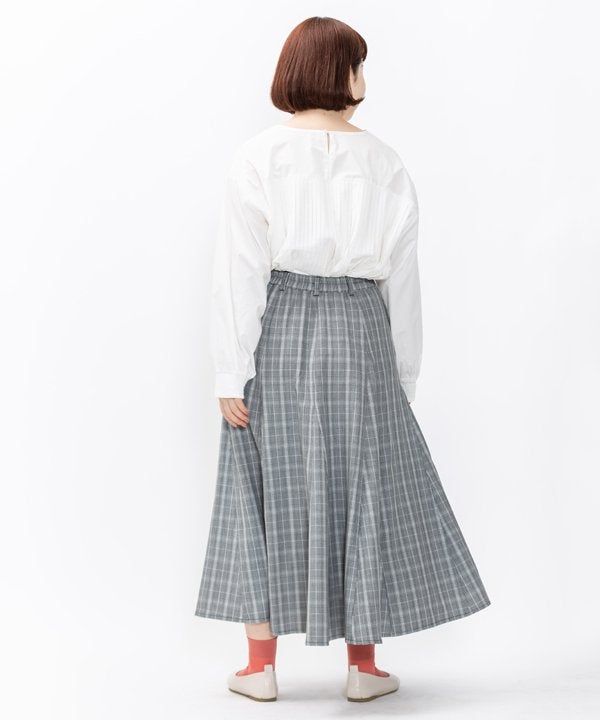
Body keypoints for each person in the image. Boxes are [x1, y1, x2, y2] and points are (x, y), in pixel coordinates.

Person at [194, 15, 491, 703]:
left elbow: (239, 272)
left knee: (258, 483)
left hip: (278, 330)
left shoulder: (257, 157)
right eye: (359, 65)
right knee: (365, 486)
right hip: (361, 333)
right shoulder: (384, 162)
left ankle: (260, 668)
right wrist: (403, 375)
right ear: (340, 73)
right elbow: (402, 282)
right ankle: (363, 667)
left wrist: (229, 370)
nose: (364, 79)